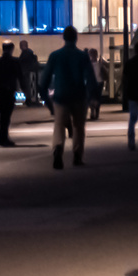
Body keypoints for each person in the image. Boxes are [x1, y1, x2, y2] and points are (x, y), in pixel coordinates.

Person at [38, 26, 91, 170]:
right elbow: (90, 77)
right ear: (76, 38)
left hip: (60, 96)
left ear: (63, 38)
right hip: (79, 95)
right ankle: (77, 155)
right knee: (79, 126)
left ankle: (58, 149)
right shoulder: (82, 56)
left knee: (59, 125)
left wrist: (46, 98)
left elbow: (45, 79)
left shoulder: (55, 55)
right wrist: (94, 96)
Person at [0, 41, 21, 146]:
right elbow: (20, 76)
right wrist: (24, 89)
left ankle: (3, 137)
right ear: (11, 49)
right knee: (7, 114)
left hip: (0, 90)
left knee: (2, 113)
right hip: (10, 90)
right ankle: (4, 138)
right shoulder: (15, 61)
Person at [17, 39, 41, 109]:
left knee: (29, 87)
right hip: (32, 72)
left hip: (28, 73)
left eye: (21, 45)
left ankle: (31, 101)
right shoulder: (30, 52)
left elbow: (21, 62)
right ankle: (32, 101)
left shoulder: (25, 53)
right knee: (32, 87)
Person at [85, 48, 104, 120]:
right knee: (92, 98)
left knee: (96, 98)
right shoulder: (90, 64)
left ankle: (95, 112)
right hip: (94, 82)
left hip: (98, 82)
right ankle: (94, 112)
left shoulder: (99, 63)